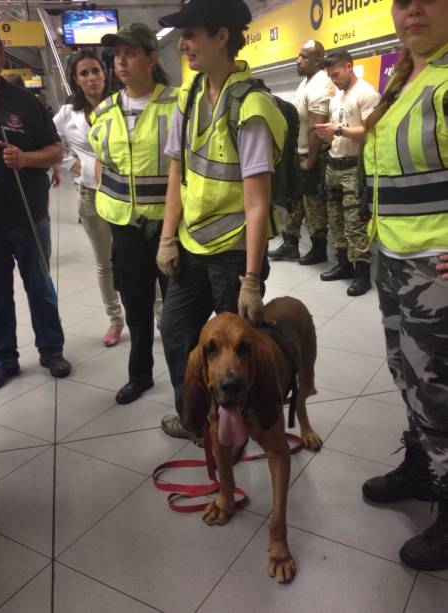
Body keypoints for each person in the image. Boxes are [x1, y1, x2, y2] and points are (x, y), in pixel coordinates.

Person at [156, 0, 287, 441]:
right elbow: (178, 171)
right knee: (175, 330)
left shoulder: (251, 107)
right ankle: (198, 420)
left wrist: (251, 279)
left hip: (233, 254)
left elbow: (256, 203)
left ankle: (243, 426)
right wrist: (167, 237)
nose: (184, 43)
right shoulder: (188, 97)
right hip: (191, 246)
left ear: (223, 36)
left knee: (237, 355)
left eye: (192, 33)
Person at [360, 0, 448, 571]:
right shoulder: (403, 76)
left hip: (433, 266)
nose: (411, 8)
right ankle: (422, 464)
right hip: (393, 256)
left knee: (440, 389)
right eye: (400, 0)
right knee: (407, 373)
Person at [88, 23, 177, 404]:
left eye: (131, 53)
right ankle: (139, 376)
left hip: (168, 226)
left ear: (151, 57)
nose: (121, 62)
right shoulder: (104, 111)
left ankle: (186, 384)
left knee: (176, 314)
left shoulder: (178, 104)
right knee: (137, 309)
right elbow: (100, 166)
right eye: (117, 55)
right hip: (124, 228)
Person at [0, 31, 71, 391]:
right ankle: (3, 358)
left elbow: (56, 150)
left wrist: (25, 159)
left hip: (28, 214)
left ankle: (51, 350)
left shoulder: (25, 102)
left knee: (39, 285)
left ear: (0, 57)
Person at [53, 50, 125, 348]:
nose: (91, 78)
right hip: (91, 194)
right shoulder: (68, 115)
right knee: (104, 262)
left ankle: (158, 312)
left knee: (138, 259)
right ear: (75, 79)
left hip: (124, 193)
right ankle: (115, 319)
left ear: (105, 73)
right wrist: (72, 163)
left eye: (95, 70)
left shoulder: (120, 105)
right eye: (84, 73)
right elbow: (50, 145)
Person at [314, 50, 380, 296]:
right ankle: (344, 265)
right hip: (334, 163)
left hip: (355, 168)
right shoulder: (337, 96)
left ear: (349, 66)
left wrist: (338, 130)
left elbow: (368, 131)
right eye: (330, 76)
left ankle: (362, 273)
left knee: (355, 223)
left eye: (337, 74)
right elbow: (338, 130)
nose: (335, 80)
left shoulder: (367, 93)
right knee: (335, 219)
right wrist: (327, 135)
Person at [269, 40, 335, 264]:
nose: (299, 60)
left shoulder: (319, 86)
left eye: (304, 57)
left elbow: (317, 129)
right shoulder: (307, 83)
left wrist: (311, 161)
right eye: (299, 55)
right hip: (300, 155)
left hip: (312, 157)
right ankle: (290, 245)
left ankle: (318, 249)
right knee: (294, 203)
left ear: (318, 61)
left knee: (313, 205)